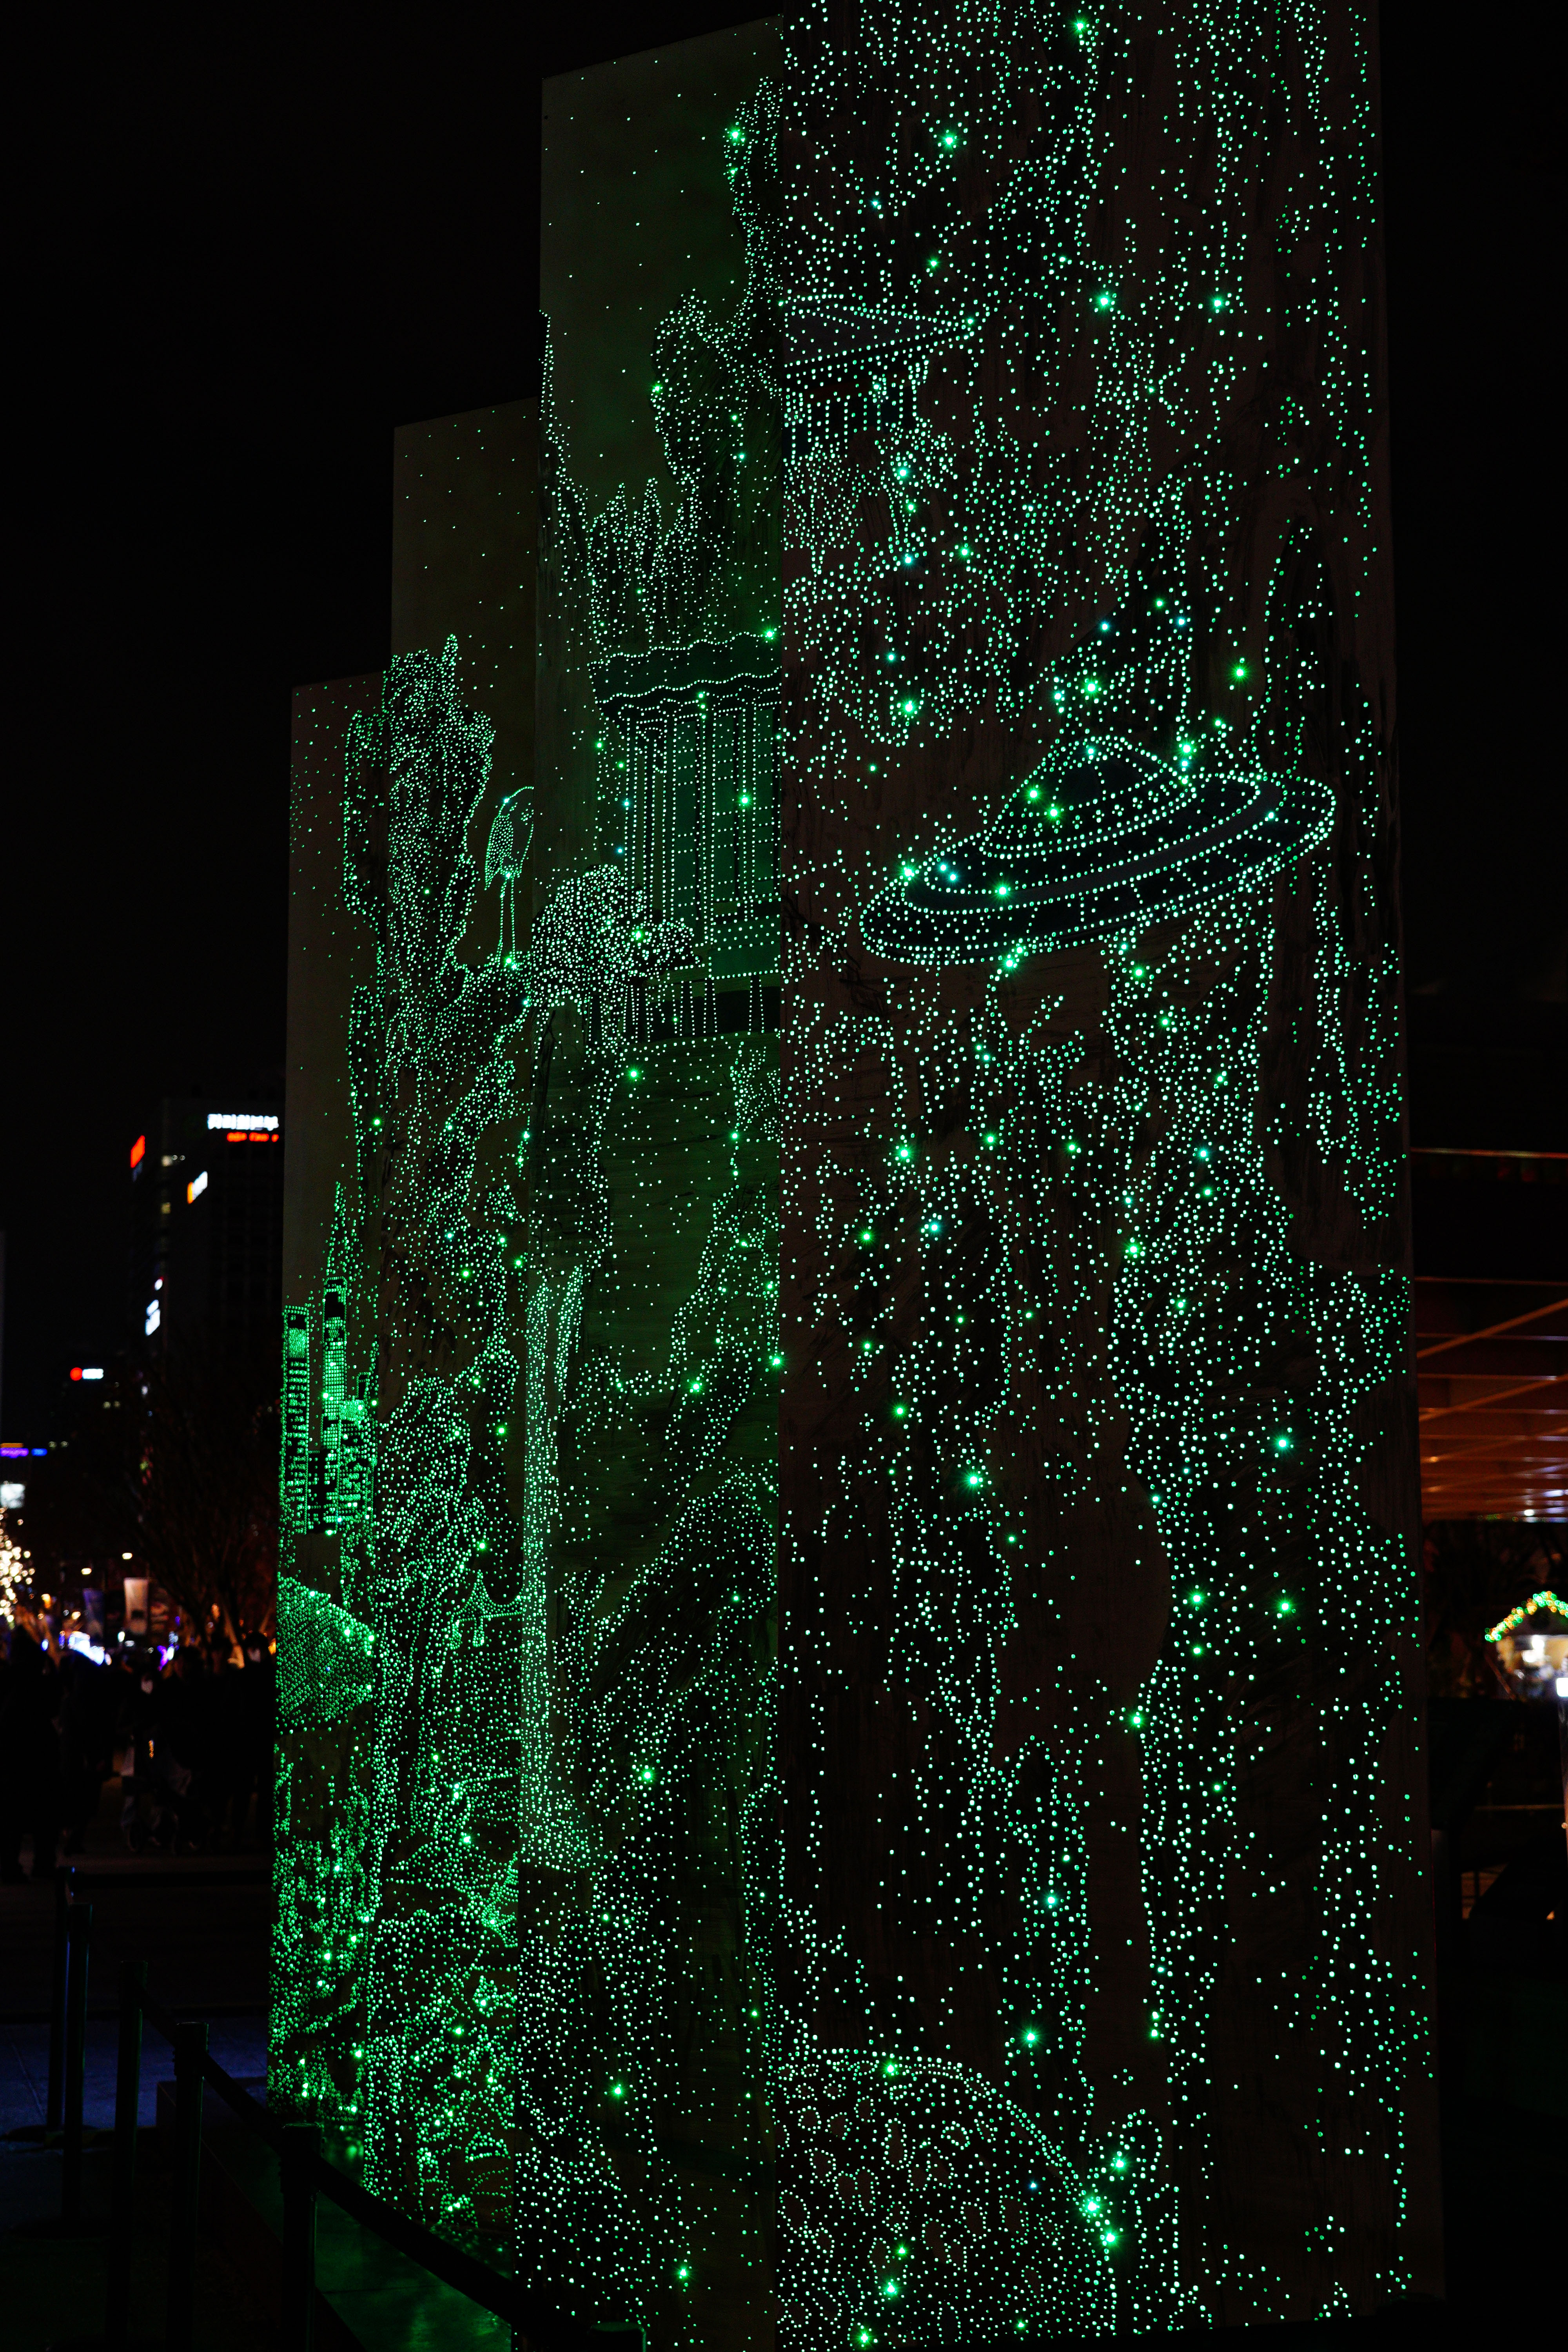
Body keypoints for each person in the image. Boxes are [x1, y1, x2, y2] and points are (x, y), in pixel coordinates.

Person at [0, 1619, 63, 1880]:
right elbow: (55, 1703)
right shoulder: (40, 1681)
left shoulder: (8, 1679)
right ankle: (43, 1864)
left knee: (11, 1818)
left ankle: (9, 1866)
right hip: (40, 1754)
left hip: (11, 1756)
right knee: (44, 1817)